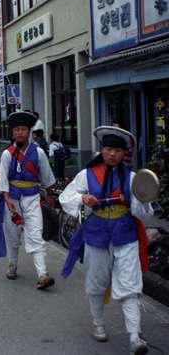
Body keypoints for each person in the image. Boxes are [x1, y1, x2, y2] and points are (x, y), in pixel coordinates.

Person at [59, 126, 153, 355]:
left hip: (125, 234)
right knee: (96, 282)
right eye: (109, 149)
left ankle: (134, 337)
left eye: (118, 150)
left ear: (124, 153)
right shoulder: (87, 175)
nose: (113, 154)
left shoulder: (132, 178)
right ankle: (98, 323)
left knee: (130, 286)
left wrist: (141, 198)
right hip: (96, 234)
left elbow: (144, 213)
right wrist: (82, 197)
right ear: (102, 150)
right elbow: (65, 198)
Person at [0, 111, 57, 289]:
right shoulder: (7, 154)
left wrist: (50, 195)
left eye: (24, 129)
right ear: (12, 132)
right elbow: (3, 178)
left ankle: (42, 274)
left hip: (32, 197)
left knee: (35, 235)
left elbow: (46, 176)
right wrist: (6, 198)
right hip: (12, 199)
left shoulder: (38, 153)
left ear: (29, 131)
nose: (20, 132)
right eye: (17, 129)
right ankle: (12, 264)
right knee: (12, 235)